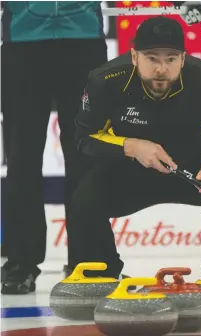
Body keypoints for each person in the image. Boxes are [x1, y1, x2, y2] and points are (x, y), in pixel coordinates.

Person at [69, 16, 201, 308]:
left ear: (183, 59)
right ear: (133, 56)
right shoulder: (105, 80)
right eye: (151, 58)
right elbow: (84, 137)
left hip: (196, 175)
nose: (160, 69)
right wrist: (131, 145)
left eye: (170, 59)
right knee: (84, 194)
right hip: (131, 174)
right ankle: (106, 274)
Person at [1, 1, 107, 294]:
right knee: (22, 159)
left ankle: (88, 260)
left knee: (85, 154)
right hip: (22, 43)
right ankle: (20, 262)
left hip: (83, 42)